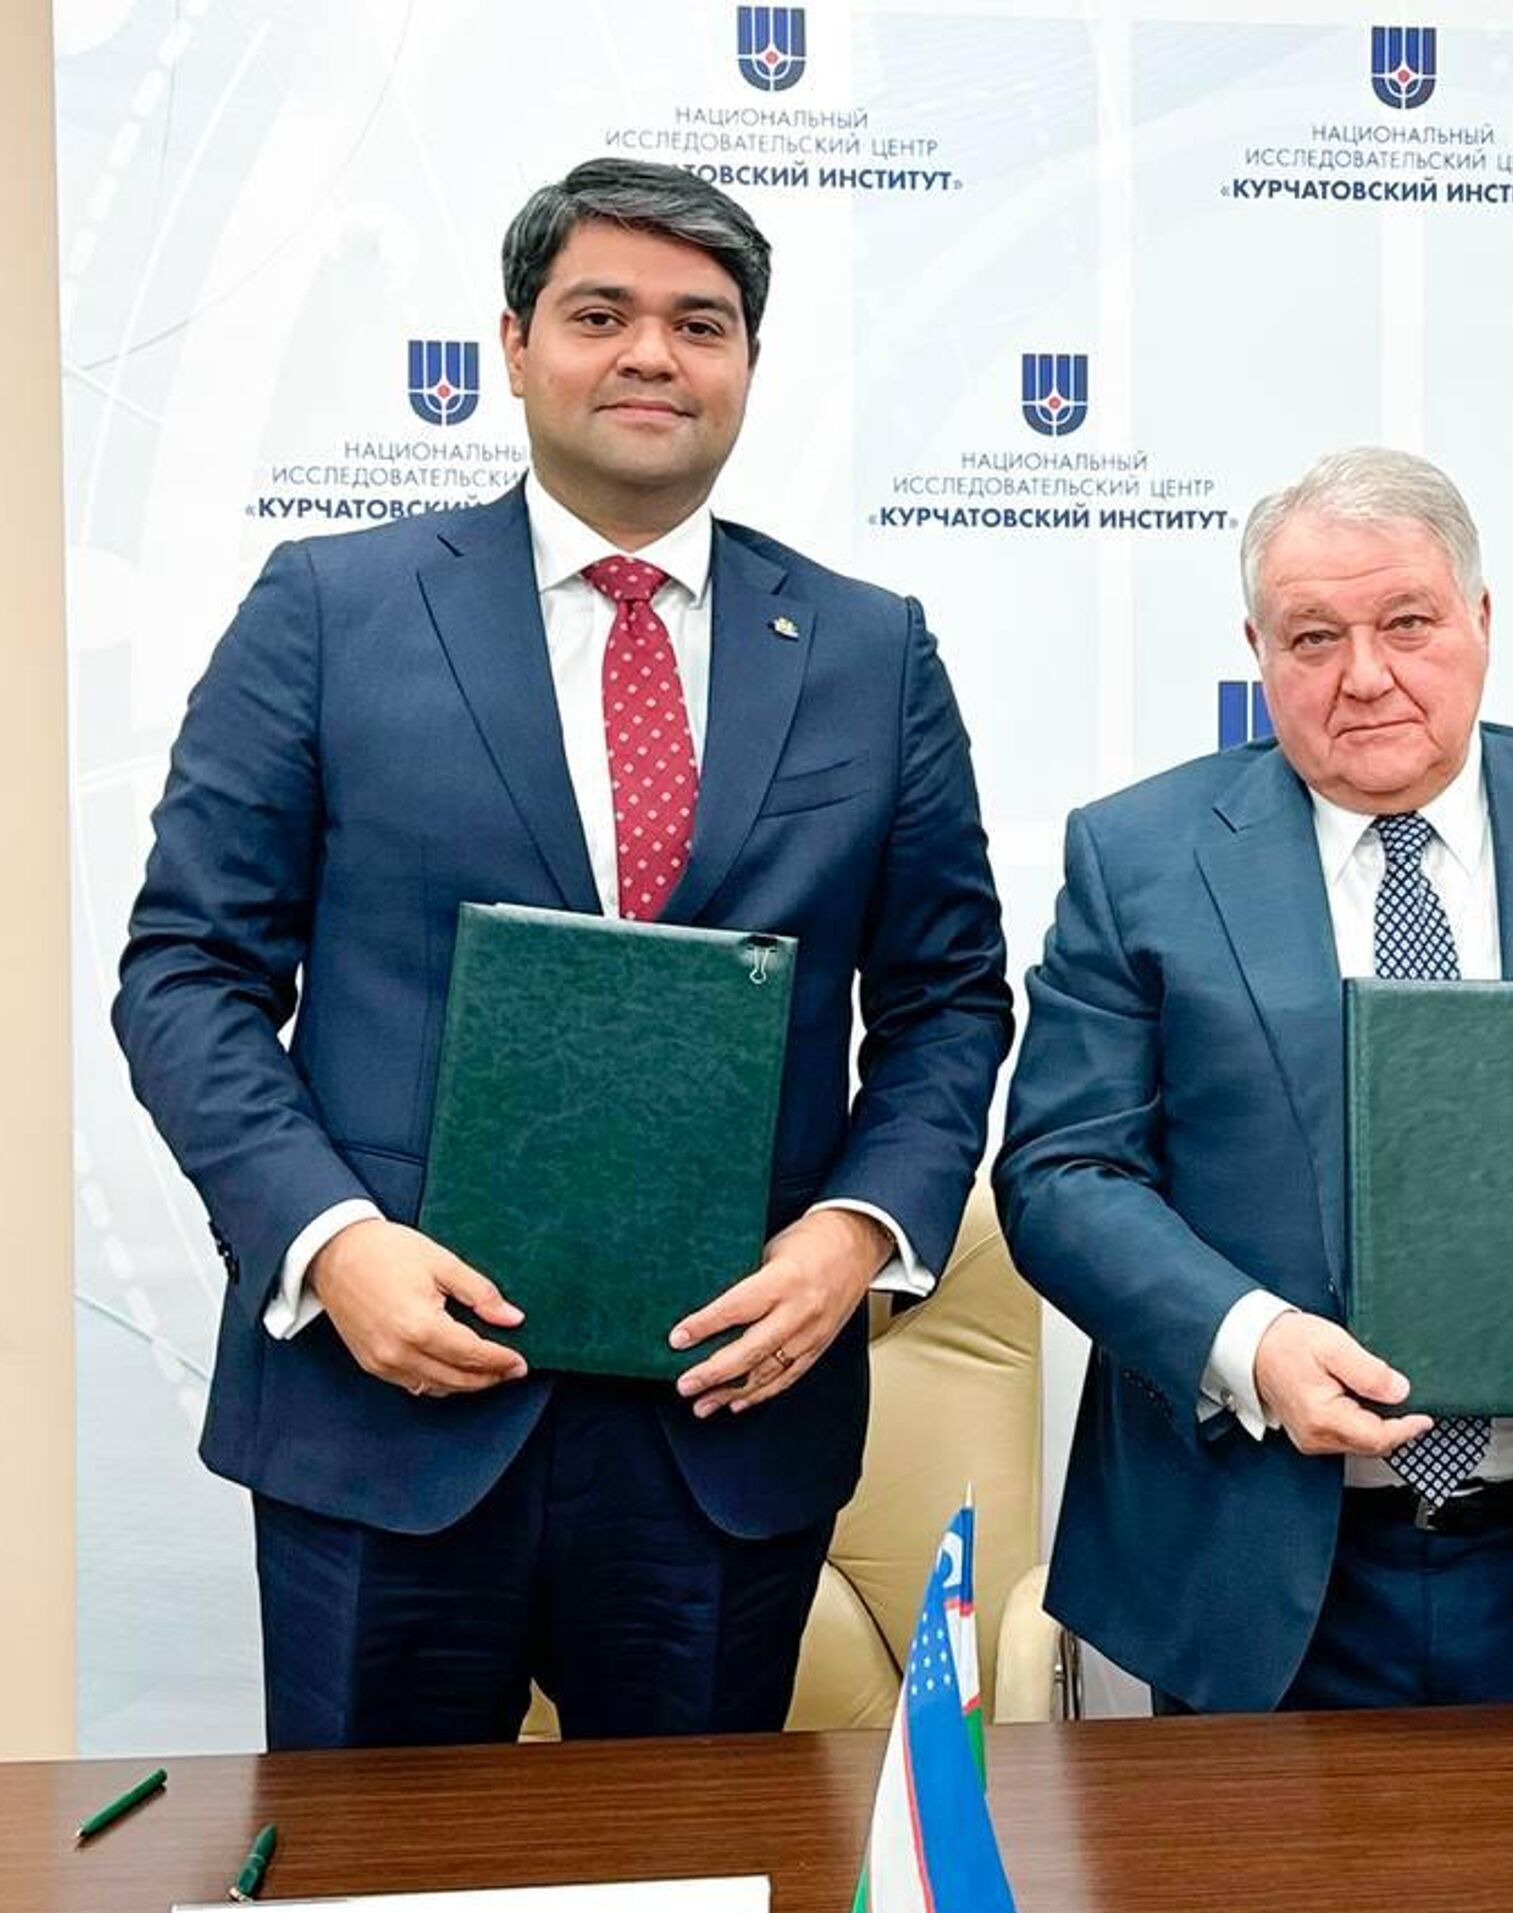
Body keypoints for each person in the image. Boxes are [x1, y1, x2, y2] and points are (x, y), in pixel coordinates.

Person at [114, 159, 1011, 1749]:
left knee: (693, 1858)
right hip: (385, 1410)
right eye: (602, 314)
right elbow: (188, 972)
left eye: (701, 324)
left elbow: (947, 999)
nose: (652, 353)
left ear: (748, 364)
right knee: (378, 1868)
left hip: (724, 1425)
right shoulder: (329, 609)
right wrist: (329, 1242)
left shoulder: (872, 652)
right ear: (517, 346)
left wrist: (857, 1233)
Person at [994, 447, 1513, 1712]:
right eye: (1313, 637)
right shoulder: (1139, 857)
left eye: (1408, 623)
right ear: (1258, 652)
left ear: (1482, 620)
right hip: (1257, 1556)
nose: (1365, 675)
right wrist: (1252, 1344)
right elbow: (1063, 1175)